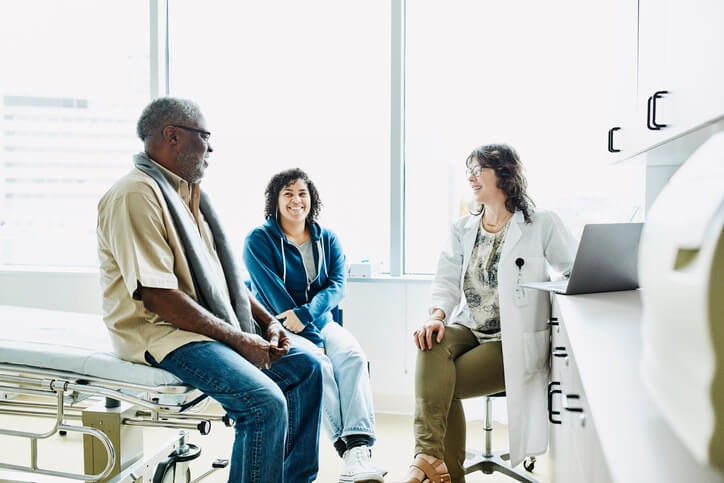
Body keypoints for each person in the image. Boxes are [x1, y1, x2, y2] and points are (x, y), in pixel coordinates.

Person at [96, 97, 323, 483]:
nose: (211, 147)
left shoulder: (191, 198)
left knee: (307, 367)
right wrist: (238, 339)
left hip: (200, 325)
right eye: (204, 136)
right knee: (263, 404)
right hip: (162, 333)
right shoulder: (136, 195)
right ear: (172, 136)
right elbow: (158, 296)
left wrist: (269, 324)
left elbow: (224, 281)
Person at [398, 144, 577, 483]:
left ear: (504, 175)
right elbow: (447, 279)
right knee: (429, 341)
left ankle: (432, 465)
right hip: (469, 326)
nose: (470, 177)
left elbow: (573, 271)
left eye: (478, 170)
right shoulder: (463, 228)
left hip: (511, 337)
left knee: (441, 386)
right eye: (470, 170)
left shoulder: (540, 224)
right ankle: (430, 458)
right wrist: (437, 315)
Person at [243, 168, 385, 483]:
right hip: (277, 328)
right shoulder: (258, 240)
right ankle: (345, 446)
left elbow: (337, 286)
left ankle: (358, 450)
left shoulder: (327, 238)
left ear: (312, 199)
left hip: (321, 322)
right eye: (288, 194)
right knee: (319, 366)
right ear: (275, 200)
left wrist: (308, 316)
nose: (296, 200)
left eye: (302, 193)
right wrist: (308, 333)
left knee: (352, 357)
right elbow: (273, 298)